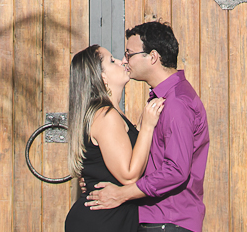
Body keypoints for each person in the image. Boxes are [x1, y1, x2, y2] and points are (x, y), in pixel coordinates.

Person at [84, 21, 210, 232]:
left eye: (129, 54)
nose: (125, 60)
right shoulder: (165, 98)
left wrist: (121, 194)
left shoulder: (177, 102)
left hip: (169, 220)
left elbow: (176, 170)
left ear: (152, 57)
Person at [64, 44, 166, 232]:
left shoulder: (112, 114)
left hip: (113, 218)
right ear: (102, 77)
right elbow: (128, 175)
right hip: (103, 221)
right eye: (112, 61)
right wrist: (147, 128)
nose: (122, 62)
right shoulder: (105, 115)